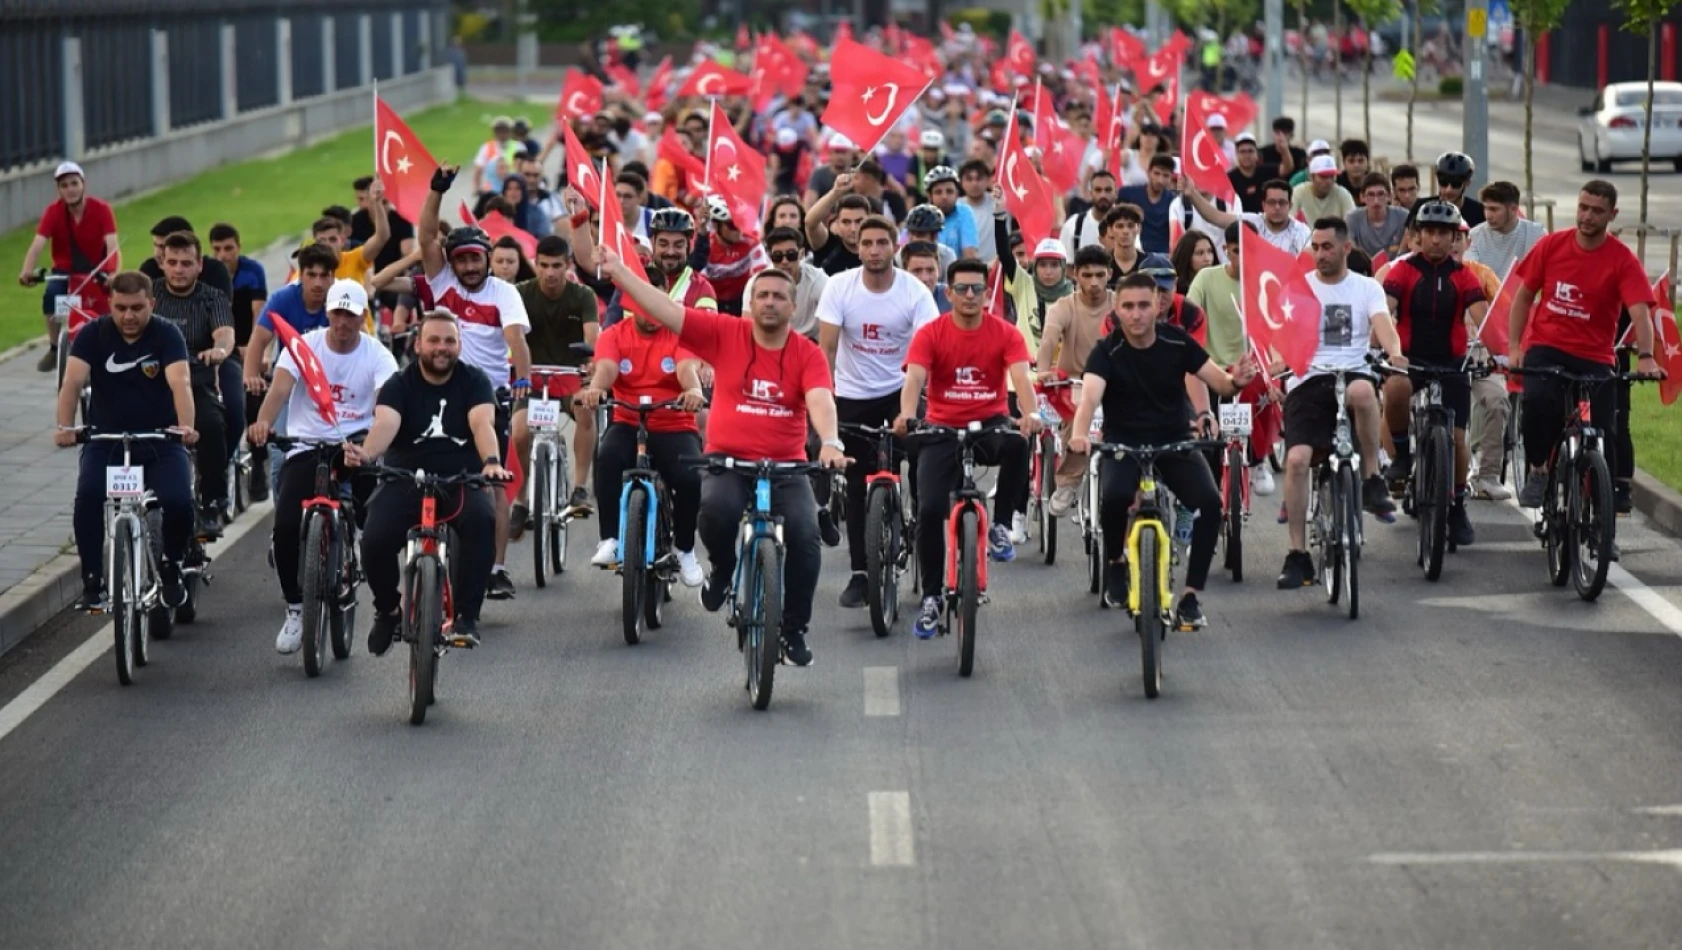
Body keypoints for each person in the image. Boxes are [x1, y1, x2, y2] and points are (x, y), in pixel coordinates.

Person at [595, 246, 846, 668]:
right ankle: (725, 568)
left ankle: (793, 629)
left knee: (805, 538)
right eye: (762, 295)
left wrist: (832, 441)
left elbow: (820, 399)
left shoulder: (807, 353)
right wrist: (619, 271)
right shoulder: (725, 333)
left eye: (778, 296)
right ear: (750, 303)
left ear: (793, 305)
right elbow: (667, 309)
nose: (769, 302)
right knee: (713, 511)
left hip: (786, 467)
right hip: (729, 462)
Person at [1067, 273, 1257, 624]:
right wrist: (1079, 435)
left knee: (1212, 505)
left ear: (1157, 306)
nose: (1136, 314)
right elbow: (1090, 398)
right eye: (1128, 306)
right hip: (1123, 442)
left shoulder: (1177, 342)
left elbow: (1221, 383)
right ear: (1117, 310)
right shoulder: (1106, 351)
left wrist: (1236, 381)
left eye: (1143, 305)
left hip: (1173, 440)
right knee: (1115, 497)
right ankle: (1115, 563)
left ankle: (1190, 596)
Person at [247, 280, 396, 653]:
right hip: (307, 443)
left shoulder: (378, 356)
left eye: (352, 314)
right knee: (283, 526)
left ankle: (356, 549)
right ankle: (296, 609)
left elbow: (383, 407)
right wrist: (264, 422)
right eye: (337, 313)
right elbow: (279, 390)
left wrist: (369, 447)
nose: (343, 322)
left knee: (372, 513)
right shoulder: (304, 346)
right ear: (326, 313)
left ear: (364, 317)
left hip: (356, 443)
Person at [349, 310, 510, 651]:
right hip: (405, 477)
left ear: (459, 345)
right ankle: (388, 609)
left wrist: (491, 462)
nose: (442, 348)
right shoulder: (399, 384)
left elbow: (482, 423)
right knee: (374, 540)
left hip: (461, 477)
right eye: (434, 340)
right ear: (418, 344)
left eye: (450, 341)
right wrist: (367, 453)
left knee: (482, 520)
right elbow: (386, 424)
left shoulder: (475, 380)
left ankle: (467, 615)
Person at [898, 258, 1040, 636]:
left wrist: (1030, 414)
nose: (971, 295)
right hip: (942, 426)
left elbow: (1022, 379)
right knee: (929, 510)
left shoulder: (1006, 333)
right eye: (962, 289)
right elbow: (914, 379)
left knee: (1017, 444)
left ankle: (1002, 525)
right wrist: (908, 414)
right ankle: (931, 598)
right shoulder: (931, 333)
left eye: (978, 288)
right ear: (949, 293)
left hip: (989, 423)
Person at [1509, 181, 1659, 526]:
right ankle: (1539, 469)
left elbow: (1639, 310)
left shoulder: (1622, 258)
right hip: (1547, 349)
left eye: (1596, 210)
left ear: (1612, 214)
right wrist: (1516, 347)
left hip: (1595, 356)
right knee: (1538, 404)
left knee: (1606, 431)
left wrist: (1647, 354)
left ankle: (1601, 525)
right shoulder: (1552, 245)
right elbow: (1523, 296)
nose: (1587, 216)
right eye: (1583, 207)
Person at [418, 164, 534, 602]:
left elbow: (515, 341)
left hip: (490, 398)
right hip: (439, 395)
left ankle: (497, 569)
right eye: (460, 258)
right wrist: (437, 191)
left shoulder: (504, 293)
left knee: (493, 483)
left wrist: (521, 380)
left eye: (475, 258)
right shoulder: (441, 281)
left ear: (487, 259)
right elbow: (427, 236)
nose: (468, 266)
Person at [55, 272, 198, 612]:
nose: (129, 316)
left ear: (152, 303)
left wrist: (187, 427)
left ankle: (172, 565)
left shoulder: (166, 334)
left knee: (179, 501)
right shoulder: (93, 334)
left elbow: (181, 382)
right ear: (110, 305)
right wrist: (65, 426)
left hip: (160, 440)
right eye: (120, 308)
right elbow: (73, 382)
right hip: (107, 440)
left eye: (137, 308)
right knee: (88, 497)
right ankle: (92, 580)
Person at [817, 215, 940, 608]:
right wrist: (827, 398)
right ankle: (860, 572)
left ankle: (923, 534)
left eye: (881, 243)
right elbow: (827, 350)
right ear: (858, 248)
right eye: (867, 243)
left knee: (924, 464)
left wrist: (914, 406)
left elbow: (925, 353)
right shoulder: (839, 286)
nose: (874, 250)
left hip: (902, 389)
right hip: (852, 395)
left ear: (894, 247)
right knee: (856, 483)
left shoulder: (914, 291)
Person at [1277, 218, 1405, 589]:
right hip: (1309, 377)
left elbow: (1383, 325)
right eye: (1315, 247)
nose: (1320, 254)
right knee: (1298, 460)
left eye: (1327, 247)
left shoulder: (1366, 288)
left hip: (1352, 372)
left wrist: (1394, 352)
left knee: (1364, 393)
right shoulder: (1298, 288)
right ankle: (1298, 555)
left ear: (1345, 248)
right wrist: (1277, 358)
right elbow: (1279, 332)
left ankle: (1371, 478)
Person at [1380, 201, 1488, 547]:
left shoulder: (1464, 275)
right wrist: (1384, 345)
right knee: (1395, 389)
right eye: (1430, 233)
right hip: (1411, 359)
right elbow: (1387, 310)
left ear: (1454, 237)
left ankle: (1456, 506)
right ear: (1418, 236)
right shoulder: (1403, 271)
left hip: (1453, 362)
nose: (1437, 240)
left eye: (1444, 233)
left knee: (1457, 439)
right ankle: (1401, 456)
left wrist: (1493, 346)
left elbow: (1481, 315)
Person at [578, 296, 706, 586]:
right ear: (631, 305)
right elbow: (607, 368)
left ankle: (684, 549)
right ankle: (609, 538)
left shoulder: (680, 332)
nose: (652, 312)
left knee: (691, 478)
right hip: (628, 420)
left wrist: (694, 391)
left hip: (674, 423)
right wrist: (597, 388)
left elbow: (686, 369)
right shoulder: (613, 334)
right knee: (608, 456)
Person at [511, 234, 599, 549]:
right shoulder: (520, 294)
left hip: (570, 376)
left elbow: (592, 336)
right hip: (531, 378)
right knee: (519, 433)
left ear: (568, 265)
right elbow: (509, 333)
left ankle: (579, 487)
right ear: (535, 264)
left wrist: (591, 361)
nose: (550, 272)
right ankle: (521, 502)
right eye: (544, 265)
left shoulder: (582, 296)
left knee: (585, 408)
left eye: (557, 266)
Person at [149, 231, 235, 529]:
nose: (179, 269)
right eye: (172, 262)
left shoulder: (213, 297)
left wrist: (219, 350)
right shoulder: (150, 296)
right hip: (152, 386)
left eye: (186, 263)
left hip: (196, 382)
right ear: (162, 263)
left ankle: (212, 501)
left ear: (199, 265)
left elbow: (225, 333)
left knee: (212, 425)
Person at [1036, 245, 1115, 515]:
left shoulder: (1119, 303)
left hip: (1116, 382)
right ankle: (1068, 482)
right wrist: (1044, 370)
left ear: (1110, 275)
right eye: (1087, 275)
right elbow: (1049, 338)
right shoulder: (1064, 306)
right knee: (1077, 416)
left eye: (1100, 275)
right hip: (1075, 383)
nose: (1094, 282)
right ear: (1075, 276)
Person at [19, 162, 119, 373]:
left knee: (110, 303)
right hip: (64, 272)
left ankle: (114, 344)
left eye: (74, 183)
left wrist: (113, 274)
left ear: (83, 184)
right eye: (64, 185)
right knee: (51, 297)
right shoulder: (53, 212)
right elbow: (38, 243)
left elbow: (112, 245)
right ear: (59, 190)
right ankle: (56, 347)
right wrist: (27, 270)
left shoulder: (102, 209)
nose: (70, 189)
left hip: (96, 270)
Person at [700, 195, 772, 315]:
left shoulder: (751, 242)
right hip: (712, 300)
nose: (739, 229)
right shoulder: (706, 246)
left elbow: (761, 277)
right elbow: (698, 282)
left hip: (742, 300)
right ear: (716, 226)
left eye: (741, 222)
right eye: (732, 225)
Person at [763, 227, 827, 339]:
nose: (784, 261)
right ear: (770, 257)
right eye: (777, 256)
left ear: (801, 254)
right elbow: (748, 324)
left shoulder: (817, 279)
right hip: (774, 341)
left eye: (791, 255)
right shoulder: (759, 282)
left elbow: (835, 316)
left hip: (811, 342)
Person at [1117, 154, 1178, 254]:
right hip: (1135, 253)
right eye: (1156, 173)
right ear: (1148, 172)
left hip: (1165, 256)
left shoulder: (1175, 201)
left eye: (1165, 175)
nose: (1160, 180)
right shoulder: (1128, 194)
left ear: (1171, 177)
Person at [805, 185, 870, 276]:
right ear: (837, 224)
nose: (853, 229)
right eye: (846, 222)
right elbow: (810, 222)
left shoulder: (878, 251)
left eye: (859, 221)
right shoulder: (828, 246)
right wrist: (836, 192)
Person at [1345, 172, 1409, 260]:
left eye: (1381, 194)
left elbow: (1407, 250)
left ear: (1389, 196)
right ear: (1362, 197)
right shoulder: (1352, 218)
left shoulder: (1404, 216)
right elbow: (1349, 248)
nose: (1376, 201)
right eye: (1371, 195)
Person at [921, 166, 979, 261]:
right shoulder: (919, 215)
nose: (944, 196)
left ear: (957, 194)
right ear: (929, 196)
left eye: (949, 191)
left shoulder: (965, 212)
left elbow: (970, 256)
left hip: (957, 272)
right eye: (938, 192)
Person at [1413, 151, 1485, 228]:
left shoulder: (1480, 213)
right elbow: (1408, 238)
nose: (1448, 190)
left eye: (1456, 184)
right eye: (1443, 183)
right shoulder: (1421, 207)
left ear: (1467, 183)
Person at [1061, 170, 1118, 258]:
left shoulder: (1128, 225)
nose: (1103, 195)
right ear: (1090, 193)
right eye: (1098, 190)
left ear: (1116, 193)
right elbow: (1065, 265)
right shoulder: (1073, 225)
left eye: (1108, 190)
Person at [1291, 156, 1356, 221]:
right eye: (1323, 177)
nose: (1328, 181)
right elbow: (1288, 220)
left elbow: (1352, 223)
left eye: (1331, 176)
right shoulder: (1298, 192)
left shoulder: (1343, 194)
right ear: (1311, 177)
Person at [904, 204, 957, 276]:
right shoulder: (900, 256)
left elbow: (949, 285)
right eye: (911, 233)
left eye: (920, 234)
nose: (914, 238)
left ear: (934, 236)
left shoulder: (947, 256)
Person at [901, 242, 952, 314]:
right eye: (917, 271)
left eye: (930, 270)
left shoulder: (951, 299)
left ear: (939, 271)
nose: (925, 278)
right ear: (904, 273)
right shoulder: (893, 300)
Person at [1227, 132, 1270, 212]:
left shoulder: (1267, 172)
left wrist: (1284, 149)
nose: (1246, 155)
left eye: (1250, 151)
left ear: (1257, 153)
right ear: (1237, 154)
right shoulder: (1229, 178)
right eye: (1242, 152)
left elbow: (1286, 169)